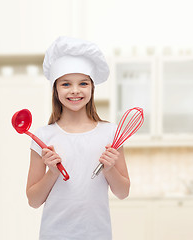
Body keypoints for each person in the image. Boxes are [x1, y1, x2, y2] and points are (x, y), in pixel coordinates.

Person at [26, 36, 130, 240]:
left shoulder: (111, 134)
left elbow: (123, 192)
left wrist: (109, 170)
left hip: (98, 234)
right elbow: (33, 200)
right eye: (66, 84)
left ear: (92, 87)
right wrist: (52, 172)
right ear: (55, 89)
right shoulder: (42, 137)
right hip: (54, 234)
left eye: (83, 83)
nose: (75, 90)